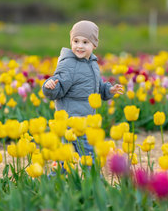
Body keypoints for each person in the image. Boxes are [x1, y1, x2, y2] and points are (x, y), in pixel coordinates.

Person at [42, 20, 124, 159]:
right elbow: (58, 87)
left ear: (94, 44)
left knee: (65, 158)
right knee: (88, 154)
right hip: (71, 120)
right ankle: (93, 178)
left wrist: (108, 90)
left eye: (85, 42)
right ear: (71, 42)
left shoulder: (92, 63)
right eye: (76, 41)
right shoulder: (69, 64)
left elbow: (96, 85)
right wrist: (50, 87)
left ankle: (57, 178)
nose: (79, 46)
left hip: (86, 118)